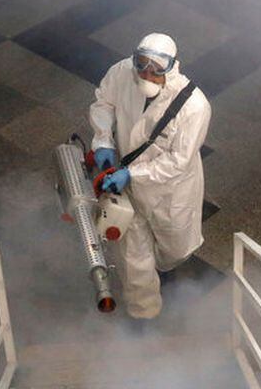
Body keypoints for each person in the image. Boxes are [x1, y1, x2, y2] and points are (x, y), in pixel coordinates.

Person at [89, 33, 212, 320]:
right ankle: (144, 315)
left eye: (157, 67)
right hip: (128, 186)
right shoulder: (121, 72)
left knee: (175, 250)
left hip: (170, 192)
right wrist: (104, 139)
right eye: (141, 64)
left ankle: (164, 272)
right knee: (134, 259)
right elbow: (103, 103)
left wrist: (132, 173)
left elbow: (177, 161)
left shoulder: (194, 107)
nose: (147, 73)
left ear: (172, 66)